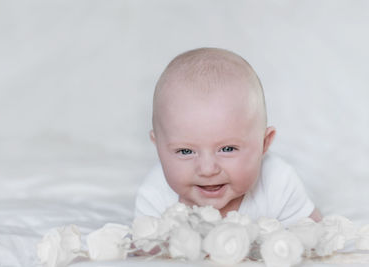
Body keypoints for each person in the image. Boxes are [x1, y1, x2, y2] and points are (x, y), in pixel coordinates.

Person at [135, 47, 322, 227]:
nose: (207, 170)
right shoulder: (155, 195)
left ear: (264, 143)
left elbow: (314, 236)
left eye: (227, 149)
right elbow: (145, 251)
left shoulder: (278, 184)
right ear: (158, 147)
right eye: (185, 151)